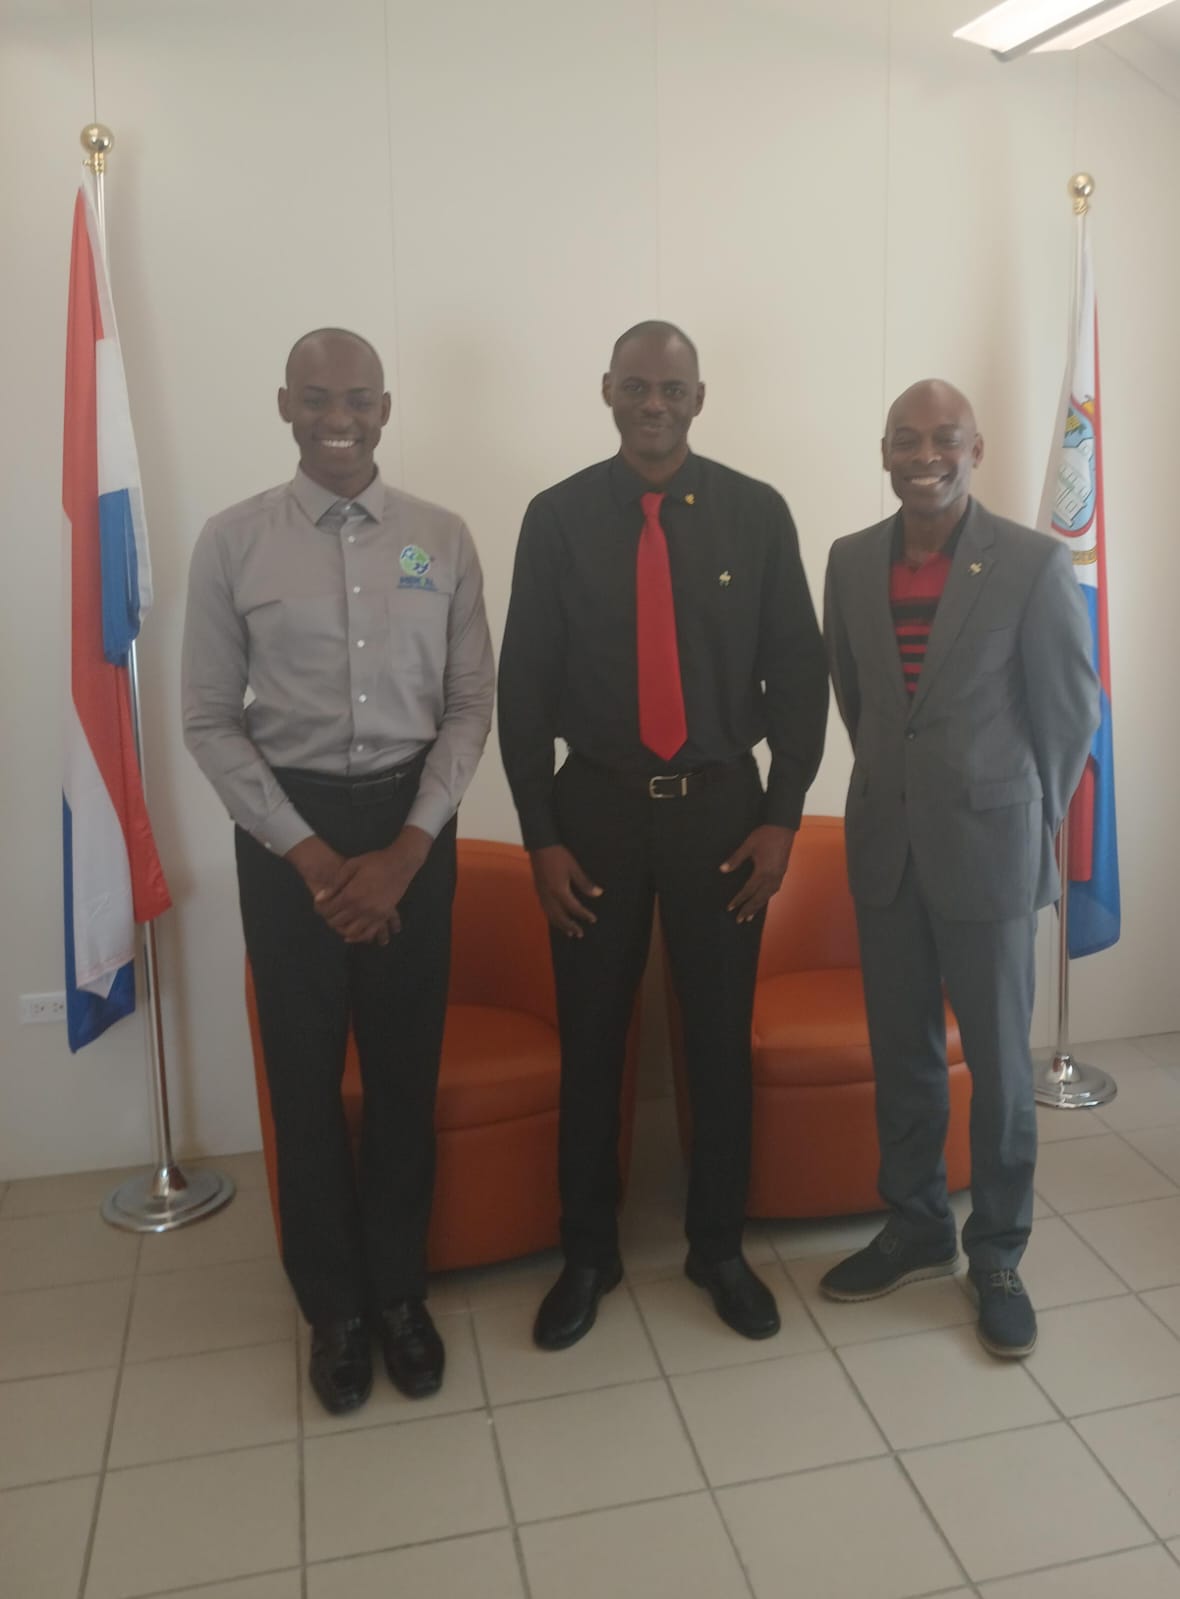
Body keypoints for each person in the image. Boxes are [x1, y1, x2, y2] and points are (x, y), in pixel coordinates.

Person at [498, 321, 828, 1349]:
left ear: (698, 397)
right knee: (592, 1040)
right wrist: (540, 836)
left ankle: (717, 1248)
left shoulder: (756, 513)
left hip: (723, 814)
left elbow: (800, 676)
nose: (654, 404)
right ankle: (587, 1254)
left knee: (718, 1040)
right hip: (593, 813)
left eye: (672, 388)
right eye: (636, 386)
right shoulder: (556, 518)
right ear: (606, 390)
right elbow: (521, 689)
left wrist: (782, 817)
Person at [182, 328, 494, 1413]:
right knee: (305, 1082)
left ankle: (400, 1295)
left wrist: (408, 849)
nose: (337, 418)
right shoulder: (232, 542)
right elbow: (209, 719)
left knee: (405, 1075)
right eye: (315, 398)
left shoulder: (440, 539)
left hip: (415, 826)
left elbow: (470, 705)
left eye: (357, 398)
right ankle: (335, 1310)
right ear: (285, 405)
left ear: (385, 407)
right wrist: (312, 857)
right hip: (288, 835)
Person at [821, 379, 1099, 1357]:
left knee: (1000, 1068)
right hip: (886, 850)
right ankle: (916, 1225)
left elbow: (1068, 714)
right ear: (883, 451)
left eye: (945, 438)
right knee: (902, 1053)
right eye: (906, 438)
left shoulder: (1031, 562)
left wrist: (1016, 809)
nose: (925, 454)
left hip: (990, 851)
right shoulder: (849, 561)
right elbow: (861, 702)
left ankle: (998, 1253)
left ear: (975, 448)